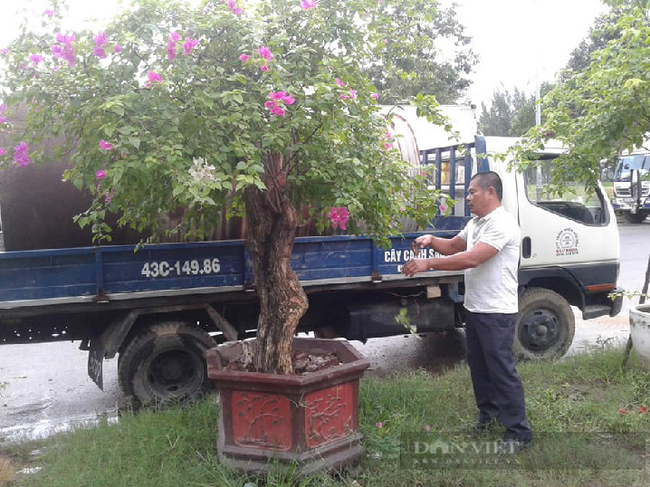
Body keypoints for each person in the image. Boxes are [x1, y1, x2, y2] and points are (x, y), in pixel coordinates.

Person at [401, 171, 532, 451]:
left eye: (472, 191)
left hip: (497, 311)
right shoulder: (476, 223)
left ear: (490, 193)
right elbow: (453, 246)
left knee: (501, 370)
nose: (468, 197)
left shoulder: (503, 224)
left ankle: (518, 432)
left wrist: (428, 264)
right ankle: (488, 415)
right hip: (475, 308)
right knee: (480, 367)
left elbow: (473, 258)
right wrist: (430, 240)